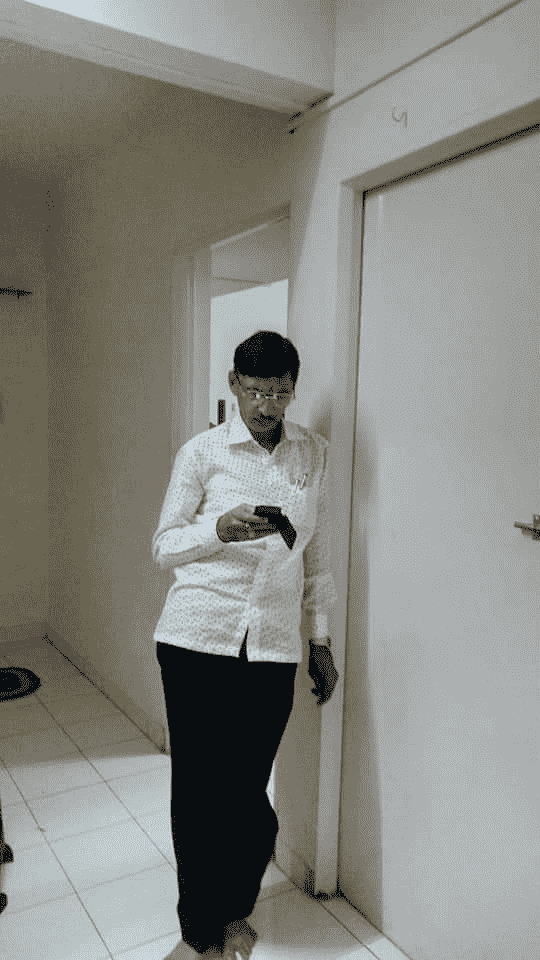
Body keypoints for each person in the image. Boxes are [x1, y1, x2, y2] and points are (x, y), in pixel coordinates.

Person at [152, 330, 339, 960]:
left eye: (279, 393)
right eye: (255, 391)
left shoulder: (312, 453)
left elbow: (315, 555)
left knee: (246, 792)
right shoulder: (202, 452)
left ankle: (234, 907)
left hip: (273, 645)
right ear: (234, 384)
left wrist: (320, 639)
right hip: (196, 638)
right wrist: (219, 530)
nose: (266, 406)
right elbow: (164, 546)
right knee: (199, 790)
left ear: (293, 390)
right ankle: (200, 928)